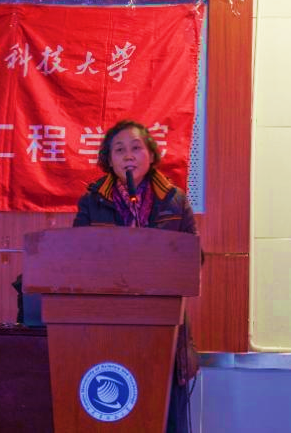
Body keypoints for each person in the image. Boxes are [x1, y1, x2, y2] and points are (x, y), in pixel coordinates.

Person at [73, 120, 199, 433]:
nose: (128, 155)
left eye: (136, 148)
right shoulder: (92, 202)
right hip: (107, 323)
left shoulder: (175, 200)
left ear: (151, 155)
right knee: (114, 411)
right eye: (119, 150)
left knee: (163, 413)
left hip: (164, 323)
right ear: (109, 160)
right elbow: (75, 258)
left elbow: (194, 259)